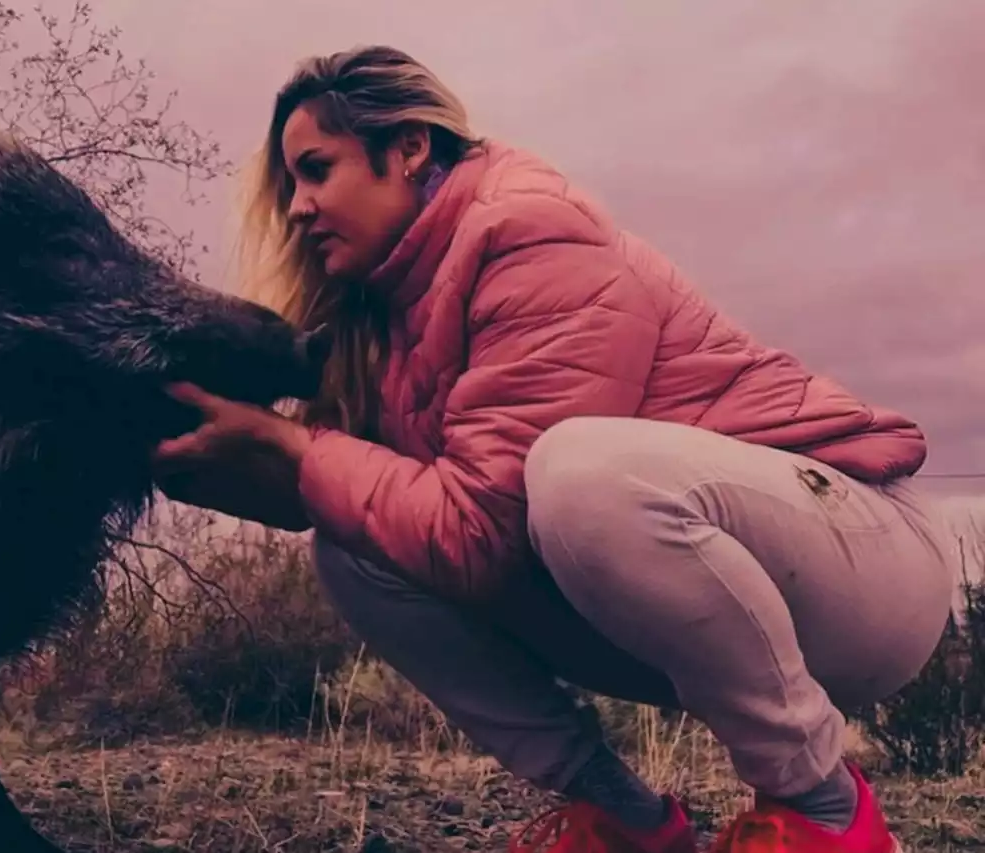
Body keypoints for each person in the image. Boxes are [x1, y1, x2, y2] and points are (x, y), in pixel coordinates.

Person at [150, 44, 956, 853]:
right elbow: (362, 494)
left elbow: (480, 534)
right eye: (291, 184)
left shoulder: (527, 230)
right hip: (703, 590)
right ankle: (627, 822)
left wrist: (291, 445)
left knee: (580, 475)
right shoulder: (386, 319)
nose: (297, 207)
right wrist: (201, 452)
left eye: (317, 170)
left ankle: (825, 813)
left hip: (869, 571)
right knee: (354, 551)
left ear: (407, 149)